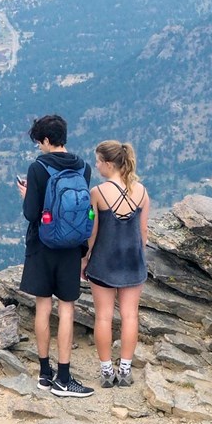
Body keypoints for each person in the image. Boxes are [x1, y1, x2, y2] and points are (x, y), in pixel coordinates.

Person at [17, 114, 95, 398]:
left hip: (42, 246)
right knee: (67, 309)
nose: (39, 147)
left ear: (48, 140)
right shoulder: (83, 167)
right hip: (72, 246)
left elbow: (31, 214)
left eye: (39, 142)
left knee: (42, 308)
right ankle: (65, 376)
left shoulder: (37, 169)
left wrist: (26, 194)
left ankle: (45, 374)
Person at [81, 140, 149, 388]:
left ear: (109, 164)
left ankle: (107, 371)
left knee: (103, 317)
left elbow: (93, 232)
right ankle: (126, 370)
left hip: (104, 262)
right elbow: (143, 232)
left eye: (98, 161)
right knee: (130, 316)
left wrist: (85, 260)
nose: (96, 165)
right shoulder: (141, 192)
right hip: (133, 261)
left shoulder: (97, 193)